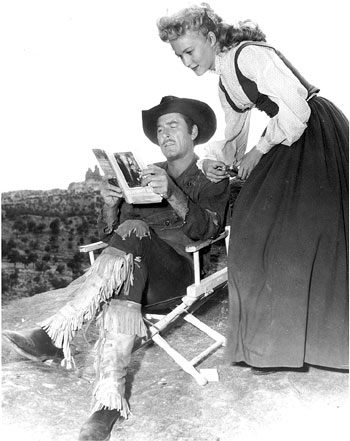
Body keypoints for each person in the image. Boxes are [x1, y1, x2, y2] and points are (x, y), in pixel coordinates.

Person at [3, 95, 230, 441]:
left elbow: (207, 232)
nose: (164, 133)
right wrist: (111, 206)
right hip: (135, 274)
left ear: (194, 132)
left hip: (178, 277)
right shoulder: (146, 175)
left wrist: (172, 193)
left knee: (134, 234)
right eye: (159, 128)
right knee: (129, 244)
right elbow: (113, 237)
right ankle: (106, 404)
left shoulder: (210, 178)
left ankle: (54, 335)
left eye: (173, 125)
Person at [157, 3, 349, 372]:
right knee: (253, 230)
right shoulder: (225, 79)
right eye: (179, 55)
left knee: (294, 231)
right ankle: (274, 346)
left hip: (313, 134)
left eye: (190, 51)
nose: (186, 61)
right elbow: (234, 137)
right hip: (288, 138)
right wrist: (217, 161)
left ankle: (316, 344)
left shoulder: (249, 55)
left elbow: (296, 109)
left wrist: (260, 151)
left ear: (211, 38)